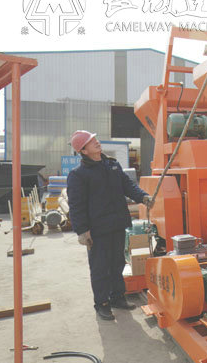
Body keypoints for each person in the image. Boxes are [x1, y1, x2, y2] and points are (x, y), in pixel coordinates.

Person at [67, 130, 153, 321]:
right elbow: (76, 205)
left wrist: (143, 197)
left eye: (95, 139)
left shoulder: (112, 165)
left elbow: (127, 186)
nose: (97, 142)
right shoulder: (78, 175)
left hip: (117, 224)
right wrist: (82, 231)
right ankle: (102, 303)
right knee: (100, 267)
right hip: (97, 230)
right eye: (92, 141)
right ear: (84, 151)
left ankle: (117, 298)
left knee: (118, 263)